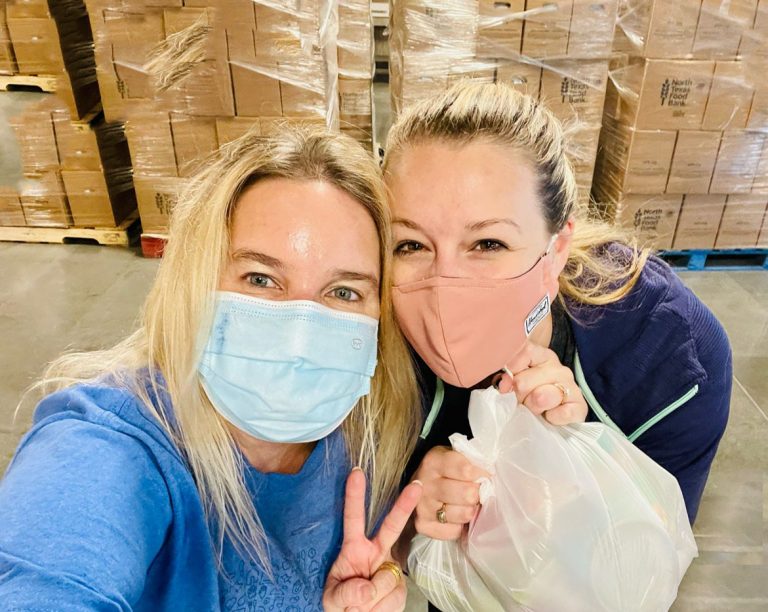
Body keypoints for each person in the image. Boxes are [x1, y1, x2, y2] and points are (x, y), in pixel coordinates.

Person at [0, 126, 423, 611]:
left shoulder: (369, 427)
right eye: (261, 278)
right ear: (194, 280)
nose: (300, 332)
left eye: (344, 291)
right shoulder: (111, 447)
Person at [382, 81, 731, 552]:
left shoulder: (667, 355)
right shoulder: (372, 343)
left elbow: (651, 559)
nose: (446, 284)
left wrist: (573, 467)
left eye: (489, 243)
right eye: (412, 245)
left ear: (556, 249)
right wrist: (407, 512)